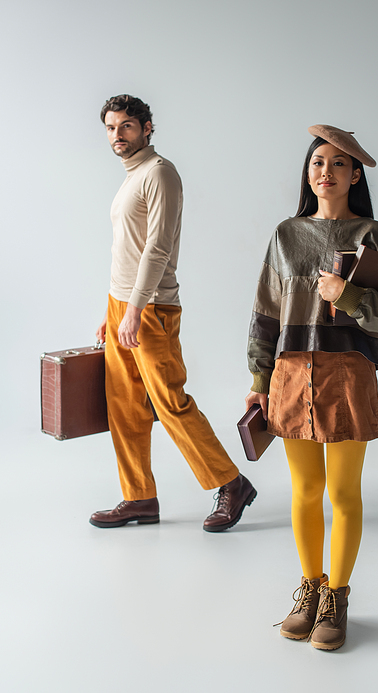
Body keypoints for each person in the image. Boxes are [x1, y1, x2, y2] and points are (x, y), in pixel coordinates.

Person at [245, 124, 378, 650]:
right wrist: (258, 379)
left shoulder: (375, 235)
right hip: (292, 373)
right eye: (318, 163)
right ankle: (309, 587)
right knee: (305, 491)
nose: (326, 172)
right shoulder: (286, 235)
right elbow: (265, 311)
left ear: (355, 173)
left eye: (338, 164)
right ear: (308, 172)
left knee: (342, 492)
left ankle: (336, 598)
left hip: (348, 372)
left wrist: (348, 296)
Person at [90, 94, 256, 531]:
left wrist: (135, 309)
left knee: (169, 403)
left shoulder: (159, 173)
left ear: (147, 128)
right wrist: (115, 309)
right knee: (124, 407)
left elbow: (157, 248)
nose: (117, 135)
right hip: (125, 303)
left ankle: (232, 483)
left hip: (151, 307)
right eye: (110, 127)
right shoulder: (131, 177)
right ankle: (139, 498)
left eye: (126, 126)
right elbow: (125, 251)